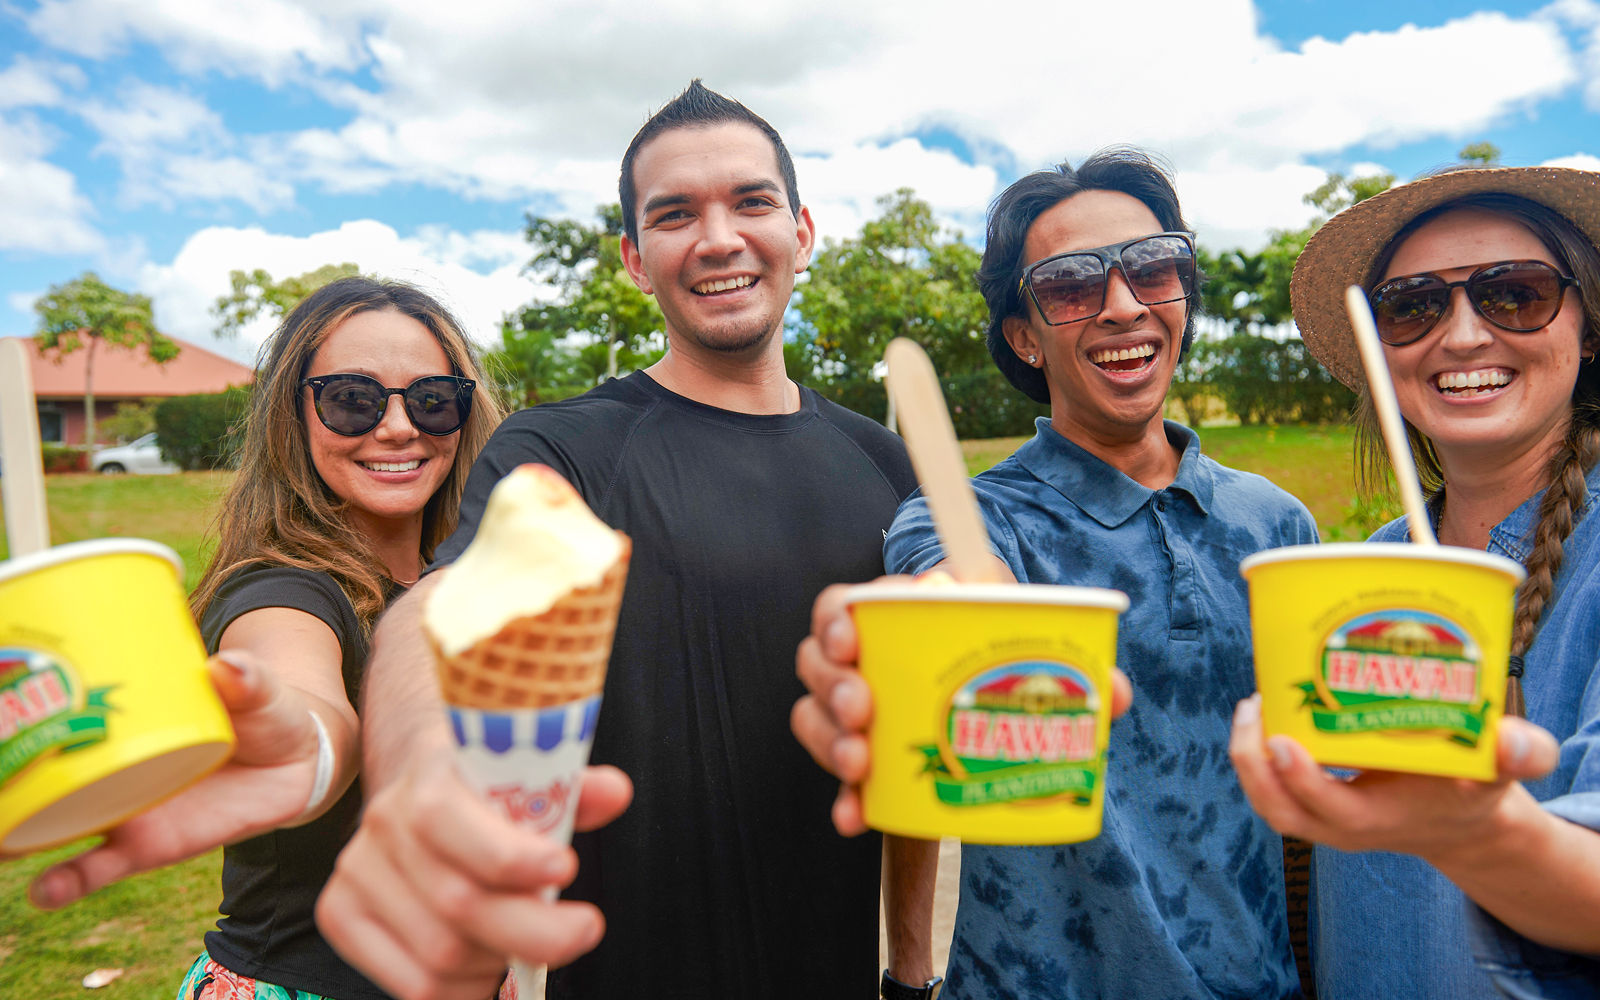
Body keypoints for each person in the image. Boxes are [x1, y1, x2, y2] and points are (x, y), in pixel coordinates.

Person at [315, 81, 918, 1000]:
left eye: (751, 202)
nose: (718, 238)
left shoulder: (885, 462)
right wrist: (420, 771)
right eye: (675, 214)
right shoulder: (564, 448)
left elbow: (907, 745)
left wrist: (909, 972)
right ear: (636, 259)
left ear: (801, 233)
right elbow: (443, 611)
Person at [793, 149, 1320, 999]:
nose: (1123, 305)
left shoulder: (1275, 524)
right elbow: (954, 590)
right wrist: (910, 975)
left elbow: (1306, 795)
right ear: (1024, 337)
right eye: (1072, 285)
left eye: (1154, 269)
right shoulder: (967, 519)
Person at [28, 277, 519, 1000]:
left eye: (431, 399)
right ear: (293, 415)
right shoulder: (281, 591)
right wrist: (308, 747)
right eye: (351, 398)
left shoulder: (463, 589)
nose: (396, 428)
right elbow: (299, 686)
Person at [1230, 165, 1600, 999]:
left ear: (1588, 327)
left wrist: (1471, 833)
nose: (1462, 336)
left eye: (1516, 295)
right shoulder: (1365, 571)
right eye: (1412, 306)